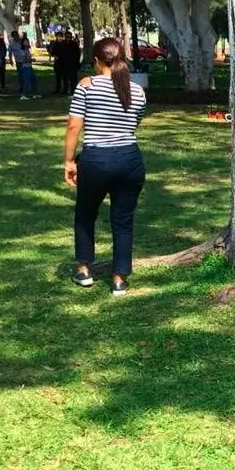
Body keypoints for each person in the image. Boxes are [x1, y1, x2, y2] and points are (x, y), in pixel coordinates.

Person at [64, 37, 148, 296]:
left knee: (86, 214)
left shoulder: (86, 86)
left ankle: (84, 269)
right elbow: (135, 122)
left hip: (96, 160)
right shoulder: (137, 90)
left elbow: (74, 126)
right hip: (129, 159)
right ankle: (119, 278)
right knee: (123, 220)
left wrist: (68, 160)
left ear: (96, 61)